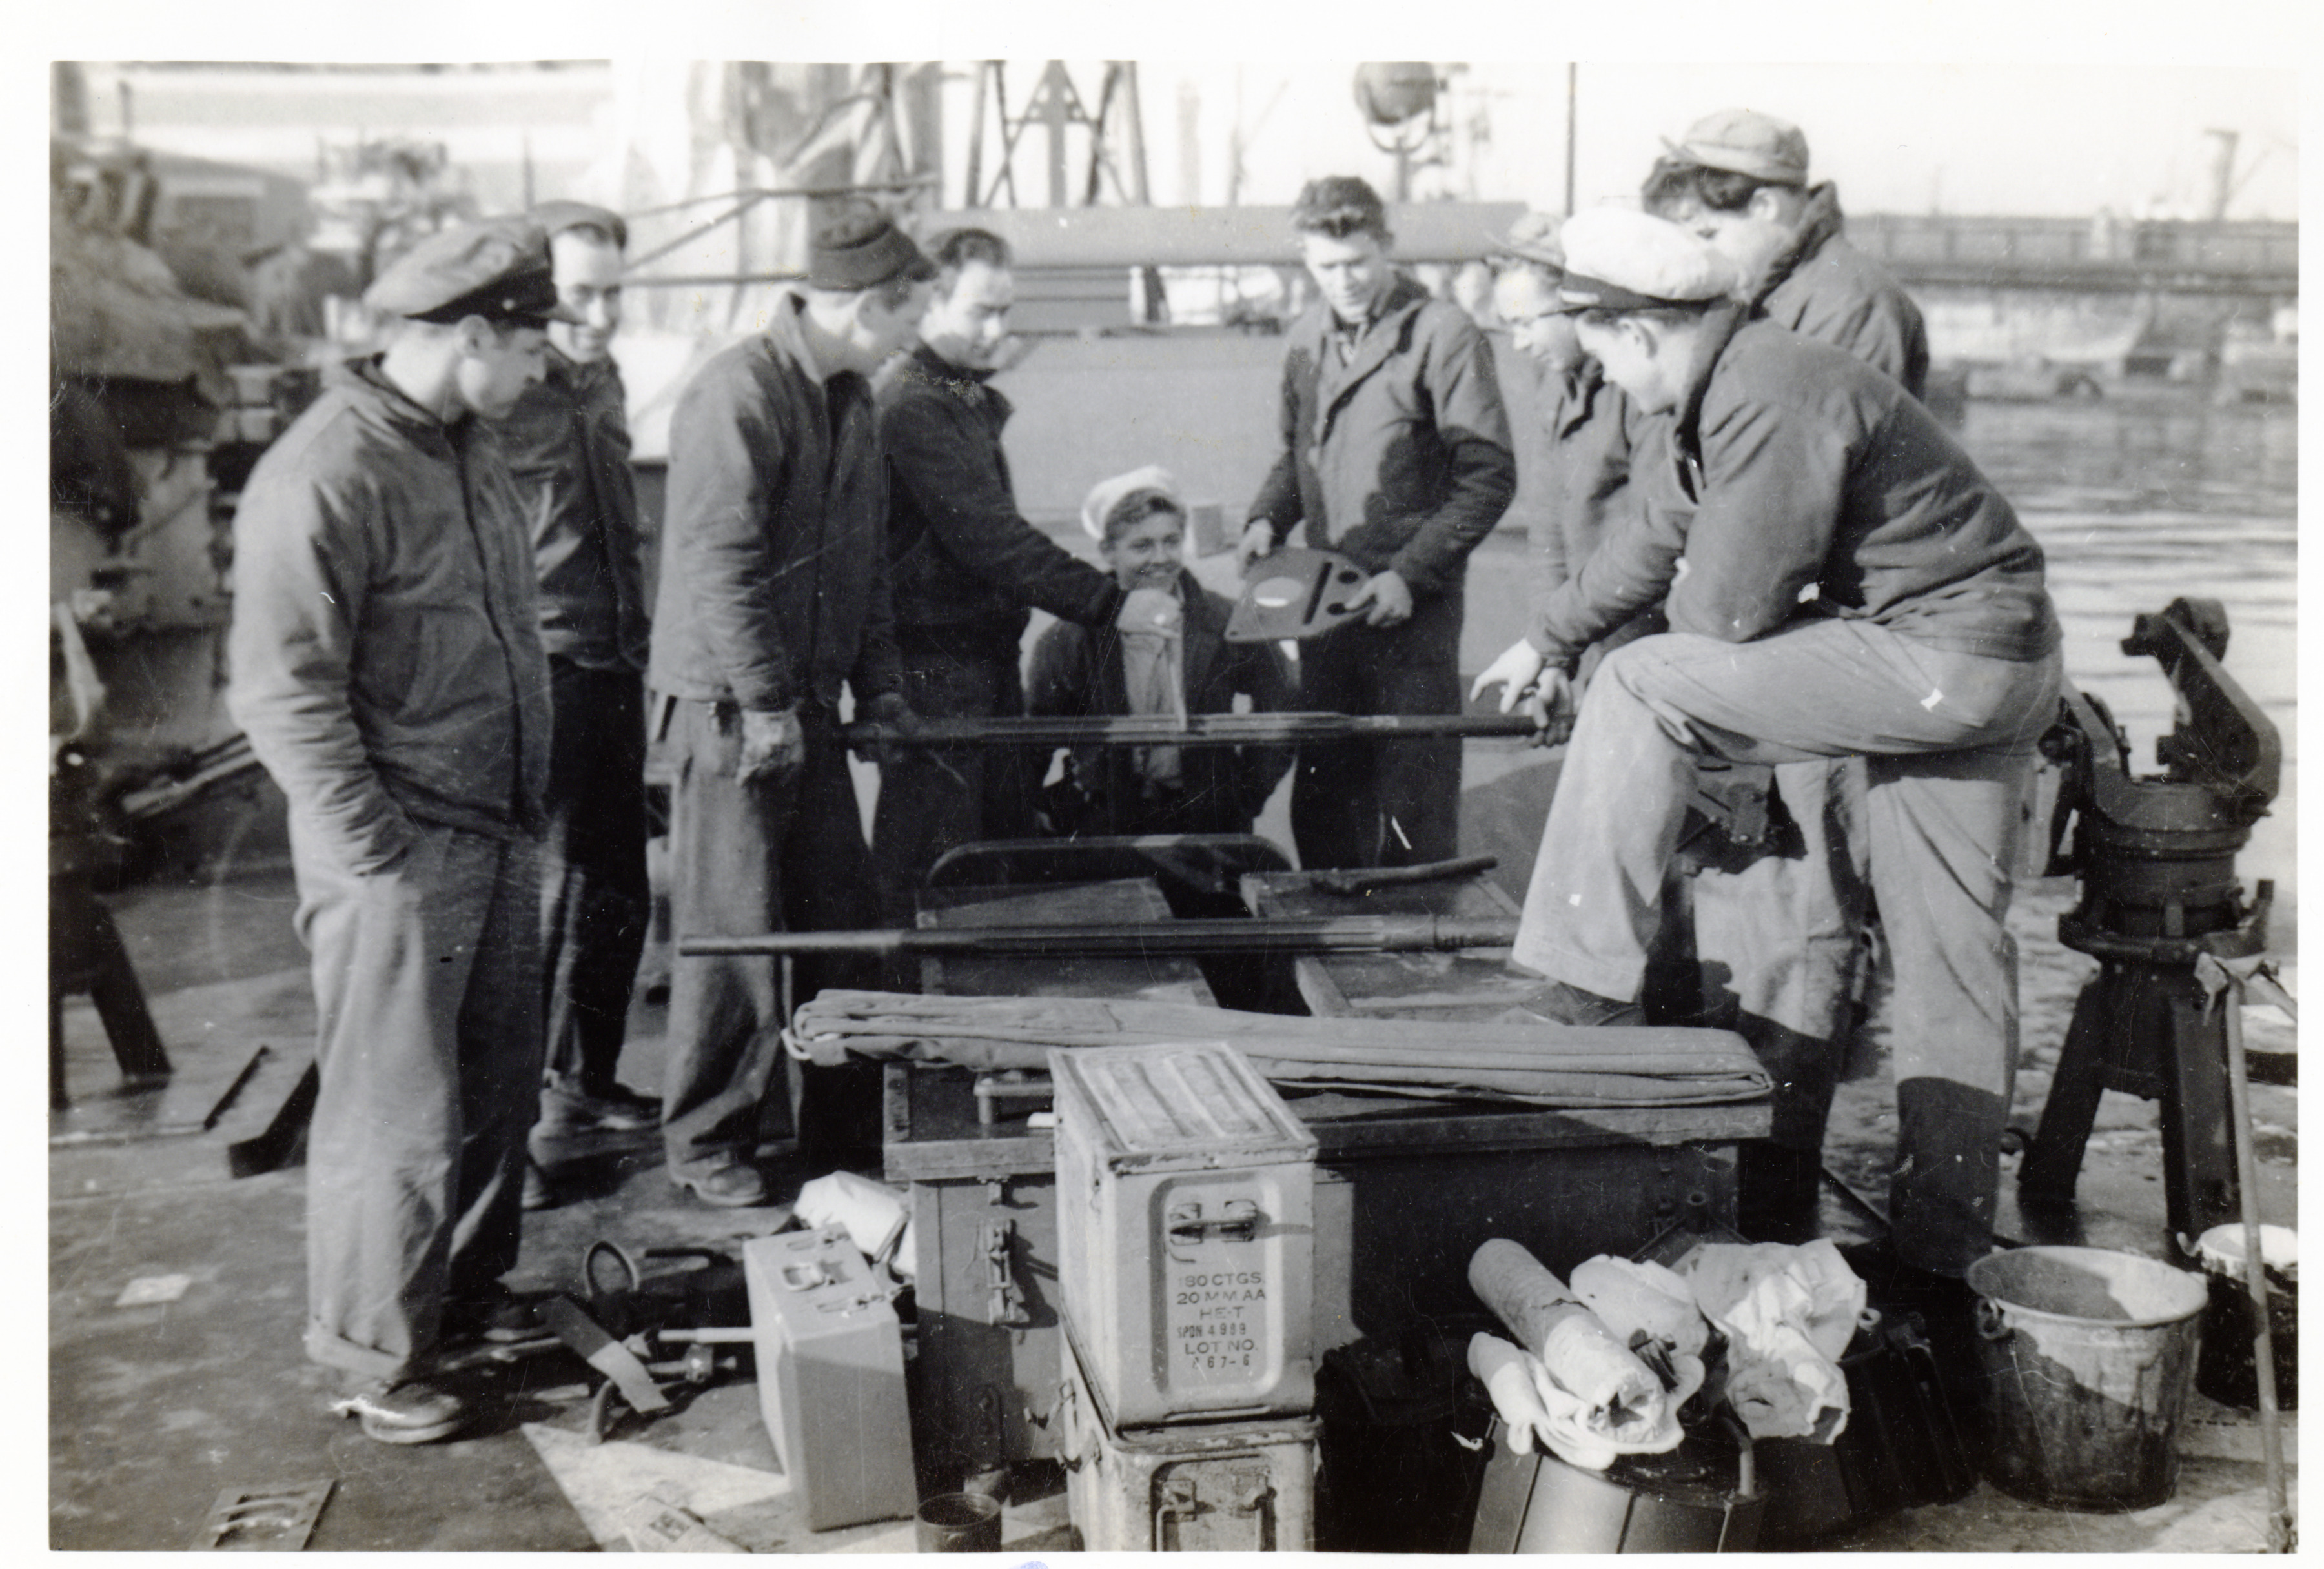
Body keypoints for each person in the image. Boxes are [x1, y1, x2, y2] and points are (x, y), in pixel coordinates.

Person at [1501, 208, 2061, 1291]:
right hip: (1994, 658)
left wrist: (1602, 662)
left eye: (1603, 348)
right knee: (1954, 957)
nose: (1607, 378)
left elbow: (1722, 618)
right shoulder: (1728, 381)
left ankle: (1578, 977)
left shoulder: (1766, 392)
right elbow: (1657, 534)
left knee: (1642, 680)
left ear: (1641, 329)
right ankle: (1944, 1264)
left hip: (1937, 660)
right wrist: (1545, 633)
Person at [227, 216, 565, 1443]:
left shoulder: (465, 441)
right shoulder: (328, 471)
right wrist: (378, 848)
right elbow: (279, 690)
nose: (543, 368)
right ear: (472, 335)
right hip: (403, 851)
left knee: (493, 1090)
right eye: (531, 344)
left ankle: (463, 1301)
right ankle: (373, 1354)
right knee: (394, 1116)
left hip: (495, 829)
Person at [647, 210, 933, 1207]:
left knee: (835, 922)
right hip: (730, 710)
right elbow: (718, 566)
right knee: (734, 934)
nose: (916, 333)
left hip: (796, 705)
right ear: (862, 306)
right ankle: (708, 1137)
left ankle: (842, 1130)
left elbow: (869, 567)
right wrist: (768, 704)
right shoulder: (738, 392)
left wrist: (883, 683)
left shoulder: (850, 396)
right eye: (911, 312)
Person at [1239, 176, 1515, 869]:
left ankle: (1416, 970)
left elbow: (1488, 477)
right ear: (1305, 259)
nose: (1346, 280)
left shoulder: (1442, 334)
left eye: (1359, 262)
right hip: (1323, 606)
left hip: (1409, 617)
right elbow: (1293, 454)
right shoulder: (1306, 338)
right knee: (1325, 793)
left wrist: (1410, 575)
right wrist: (1268, 517)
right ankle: (1331, 956)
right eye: (1328, 267)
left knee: (1409, 802)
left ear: (1387, 247)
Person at [870, 227, 1124, 917]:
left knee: (982, 871)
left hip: (978, 665)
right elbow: (989, 538)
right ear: (930, 304)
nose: (997, 329)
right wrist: (1112, 603)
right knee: (938, 872)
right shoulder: (917, 405)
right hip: (939, 674)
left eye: (1005, 312)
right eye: (981, 311)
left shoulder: (957, 397)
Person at [494, 201, 657, 1212]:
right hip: (545, 669)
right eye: (579, 293)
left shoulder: (601, 378)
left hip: (612, 663)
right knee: (544, 905)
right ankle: (513, 1139)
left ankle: (585, 1084)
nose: (599, 314)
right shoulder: (508, 395)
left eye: (612, 292)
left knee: (616, 891)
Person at [1028, 467, 1294, 838]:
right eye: (1142, 546)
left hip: (1207, 824)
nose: (1161, 557)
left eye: (1171, 541)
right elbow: (1033, 736)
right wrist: (1032, 809)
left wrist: (1245, 795)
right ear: (1108, 551)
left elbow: (1282, 699)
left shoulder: (1226, 620)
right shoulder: (1070, 638)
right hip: (1106, 824)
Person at [1642, 107, 1929, 399]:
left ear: (1764, 206)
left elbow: (1821, 437)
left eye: (1708, 235)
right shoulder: (1766, 287)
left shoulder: (1855, 306)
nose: (1700, 256)